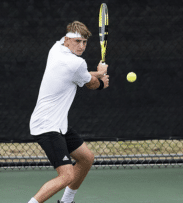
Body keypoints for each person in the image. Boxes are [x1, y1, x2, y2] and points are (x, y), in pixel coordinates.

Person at [28, 21, 109, 203]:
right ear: (67, 40)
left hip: (58, 124)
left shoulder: (56, 48)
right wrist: (102, 79)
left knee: (86, 158)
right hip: (47, 125)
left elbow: (81, 74)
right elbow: (91, 83)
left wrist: (97, 72)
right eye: (77, 41)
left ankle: (66, 201)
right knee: (66, 176)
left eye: (85, 42)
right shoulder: (75, 63)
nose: (81, 46)